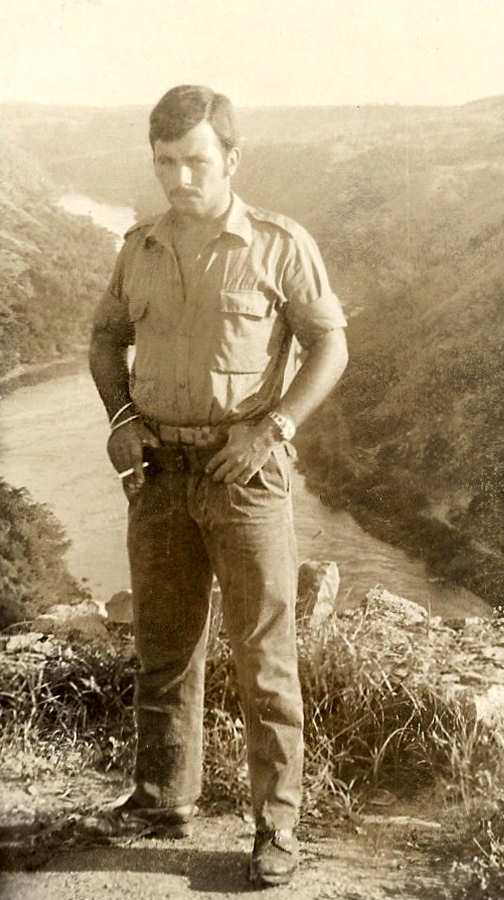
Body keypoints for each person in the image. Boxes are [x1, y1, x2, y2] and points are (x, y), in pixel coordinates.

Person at [88, 84, 348, 886]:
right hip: (158, 474)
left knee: (263, 654)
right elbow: (104, 339)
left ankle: (277, 825)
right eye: (164, 162)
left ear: (231, 158)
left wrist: (273, 428)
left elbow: (330, 346)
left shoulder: (278, 245)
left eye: (195, 161)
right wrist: (121, 417)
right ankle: (163, 797)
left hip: (245, 476)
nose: (179, 179)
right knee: (163, 647)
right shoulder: (139, 247)